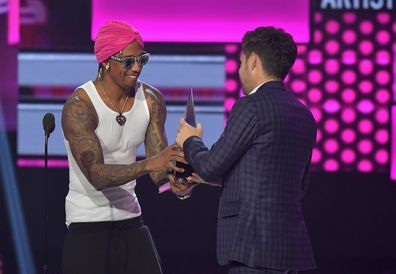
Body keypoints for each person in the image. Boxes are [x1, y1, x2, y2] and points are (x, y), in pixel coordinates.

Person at [172, 26, 317, 274]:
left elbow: (210, 164)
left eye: (240, 62)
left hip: (253, 250)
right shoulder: (304, 115)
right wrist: (214, 179)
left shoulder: (251, 106)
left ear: (253, 61)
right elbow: (294, 185)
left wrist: (190, 140)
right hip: (293, 252)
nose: (239, 71)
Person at [61, 20, 185, 274]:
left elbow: (157, 171)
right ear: (106, 60)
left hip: (130, 219)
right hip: (86, 224)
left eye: (142, 59)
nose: (137, 67)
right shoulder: (80, 106)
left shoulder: (151, 100)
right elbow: (96, 175)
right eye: (129, 61)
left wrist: (179, 177)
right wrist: (149, 164)